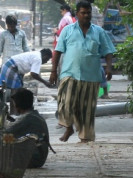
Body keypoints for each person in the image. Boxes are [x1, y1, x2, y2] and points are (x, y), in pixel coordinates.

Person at [48, 1, 114, 143]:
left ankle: (86, 137)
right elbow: (58, 51)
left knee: (87, 109)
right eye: (83, 13)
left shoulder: (99, 32)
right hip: (69, 73)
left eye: (88, 13)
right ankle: (68, 127)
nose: (86, 15)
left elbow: (108, 51)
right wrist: (53, 71)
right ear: (77, 14)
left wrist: (109, 67)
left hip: (91, 75)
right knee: (65, 101)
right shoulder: (68, 30)